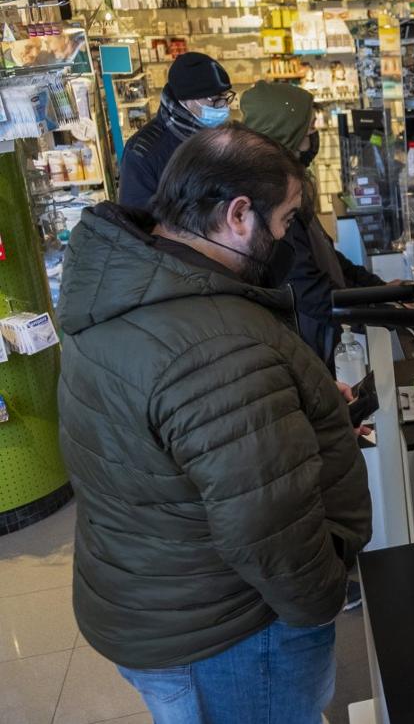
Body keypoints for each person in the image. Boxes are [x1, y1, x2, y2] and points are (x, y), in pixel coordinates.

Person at [57, 124, 372, 723]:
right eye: (284, 221)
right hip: (230, 631)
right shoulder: (217, 344)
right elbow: (268, 522)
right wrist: (325, 597)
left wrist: (285, 407)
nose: (285, 236)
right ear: (237, 214)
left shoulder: (125, 284)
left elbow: (174, 442)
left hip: (150, 596)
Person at [241, 81, 386, 364]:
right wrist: (377, 305)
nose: (313, 134)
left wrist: (376, 289)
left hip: (326, 334)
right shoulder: (271, 199)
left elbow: (326, 254)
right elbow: (307, 288)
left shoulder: (291, 185)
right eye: (307, 127)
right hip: (315, 345)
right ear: (286, 131)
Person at [118, 52, 233, 207]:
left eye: (226, 97)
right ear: (186, 100)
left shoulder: (220, 136)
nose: (223, 106)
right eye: (215, 100)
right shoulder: (143, 152)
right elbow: (137, 219)